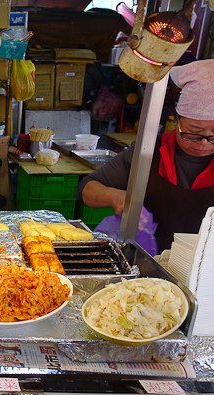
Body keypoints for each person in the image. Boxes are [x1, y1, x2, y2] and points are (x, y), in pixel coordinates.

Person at [78, 59, 214, 251]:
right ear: (177, 122)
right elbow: (86, 189)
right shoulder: (149, 151)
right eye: (194, 131)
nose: (204, 142)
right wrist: (114, 196)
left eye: (213, 135)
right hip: (146, 263)